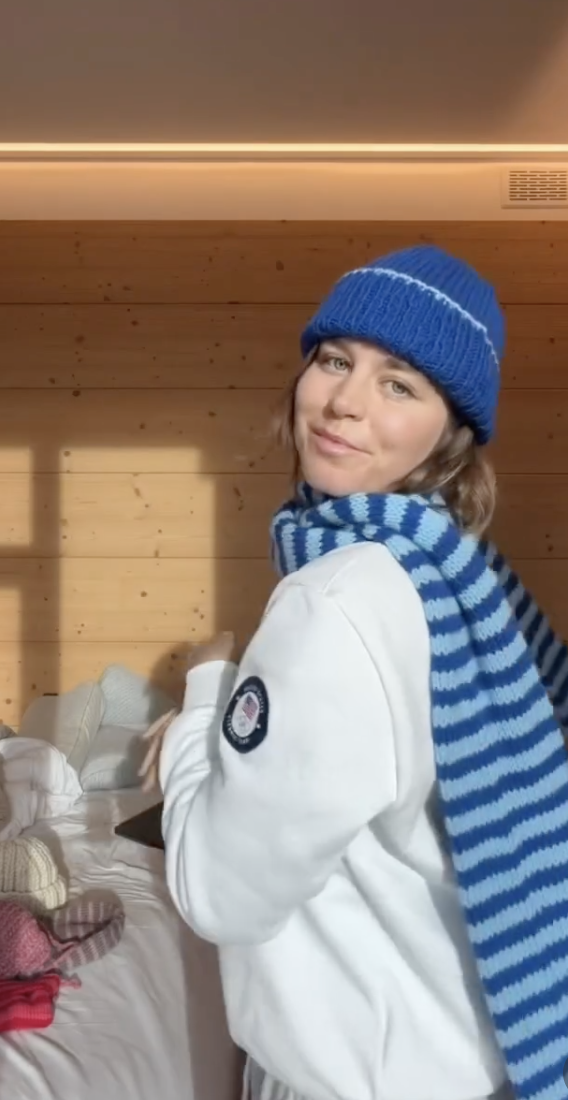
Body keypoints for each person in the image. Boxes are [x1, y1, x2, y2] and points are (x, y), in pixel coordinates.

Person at [148, 246, 568, 1100]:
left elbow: (217, 889)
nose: (344, 401)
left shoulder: (334, 601)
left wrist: (205, 687)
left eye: (399, 383)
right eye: (336, 360)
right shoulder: (447, 577)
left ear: (449, 434)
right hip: (457, 1054)